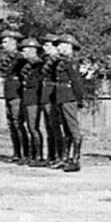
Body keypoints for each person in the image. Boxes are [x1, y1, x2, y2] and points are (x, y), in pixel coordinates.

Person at [52, 33, 87, 172]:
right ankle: (65, 158)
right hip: (62, 96)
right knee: (66, 129)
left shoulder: (72, 62)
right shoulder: (63, 61)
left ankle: (75, 159)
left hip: (69, 97)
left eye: (61, 45)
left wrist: (79, 99)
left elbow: (76, 82)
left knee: (73, 129)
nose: (59, 48)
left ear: (68, 46)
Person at [0, 30, 27, 162]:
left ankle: (25, 154)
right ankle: (17, 153)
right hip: (10, 93)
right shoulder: (9, 58)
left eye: (5, 42)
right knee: (12, 124)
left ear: (13, 41)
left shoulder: (20, 58)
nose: (3, 45)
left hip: (17, 94)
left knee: (18, 123)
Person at [19, 38, 46, 166]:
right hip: (27, 98)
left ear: (32, 50)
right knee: (30, 127)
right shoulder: (27, 65)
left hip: (34, 99)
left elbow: (38, 84)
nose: (22, 53)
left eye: (24, 50)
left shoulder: (38, 65)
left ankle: (39, 156)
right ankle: (32, 155)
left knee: (33, 127)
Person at [41, 37, 64, 167]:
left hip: (53, 95)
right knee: (49, 127)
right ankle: (51, 155)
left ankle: (59, 155)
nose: (45, 48)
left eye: (48, 45)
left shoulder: (58, 61)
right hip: (46, 95)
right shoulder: (47, 60)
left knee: (55, 126)